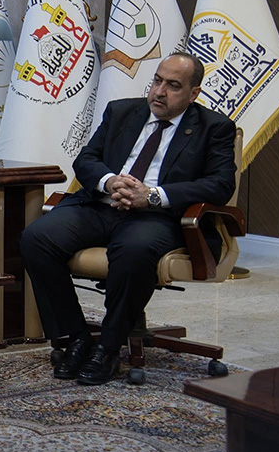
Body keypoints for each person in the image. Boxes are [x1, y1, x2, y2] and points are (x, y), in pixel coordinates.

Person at [20, 52, 237, 385]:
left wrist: (153, 195)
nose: (159, 92)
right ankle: (76, 338)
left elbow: (220, 184)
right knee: (37, 238)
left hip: (157, 217)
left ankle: (108, 348)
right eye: (157, 81)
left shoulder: (214, 128)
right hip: (102, 206)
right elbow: (87, 159)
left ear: (194, 93)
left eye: (173, 86)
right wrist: (110, 181)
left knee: (134, 250)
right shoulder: (122, 112)